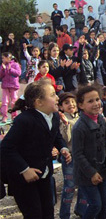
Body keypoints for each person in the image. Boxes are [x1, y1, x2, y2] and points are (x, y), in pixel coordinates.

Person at [0, 80, 72, 218]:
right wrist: (24, 169)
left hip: (43, 173)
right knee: (34, 214)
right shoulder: (24, 120)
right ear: (39, 102)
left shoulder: (55, 116)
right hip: (23, 179)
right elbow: (6, 147)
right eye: (52, 95)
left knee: (48, 212)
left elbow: (55, 135)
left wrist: (63, 147)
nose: (57, 97)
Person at [72, 86, 106, 219]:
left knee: (105, 204)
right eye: (90, 101)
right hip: (86, 174)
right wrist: (91, 173)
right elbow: (78, 154)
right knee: (95, 205)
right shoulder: (79, 128)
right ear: (80, 105)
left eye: (97, 99)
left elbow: (104, 144)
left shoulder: (101, 121)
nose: (96, 104)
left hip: (101, 170)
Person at [57, 92, 87, 218]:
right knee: (69, 187)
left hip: (83, 156)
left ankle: (81, 209)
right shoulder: (62, 120)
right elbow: (66, 139)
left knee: (84, 185)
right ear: (61, 107)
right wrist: (66, 124)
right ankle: (64, 214)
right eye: (67, 103)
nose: (71, 104)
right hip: (70, 157)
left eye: (73, 101)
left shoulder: (81, 117)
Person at [0, 52, 21, 122]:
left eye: (4, 58)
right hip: (5, 85)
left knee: (14, 101)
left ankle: (14, 115)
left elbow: (18, 73)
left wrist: (10, 69)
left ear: (8, 58)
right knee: (4, 101)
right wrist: (3, 70)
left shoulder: (15, 64)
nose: (2, 59)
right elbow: (1, 75)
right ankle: (4, 116)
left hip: (14, 85)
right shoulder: (2, 65)